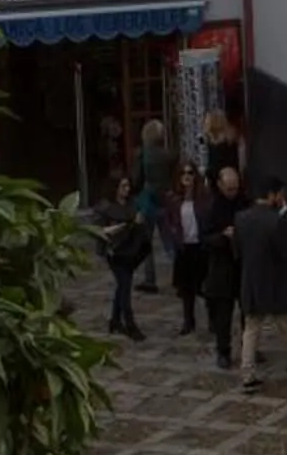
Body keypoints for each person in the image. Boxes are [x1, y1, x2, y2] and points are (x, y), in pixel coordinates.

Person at [232, 184, 287, 390]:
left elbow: (237, 251)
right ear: (272, 195)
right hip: (278, 282)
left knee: (251, 329)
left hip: (253, 281)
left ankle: (247, 374)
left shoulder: (241, 218)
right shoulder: (279, 221)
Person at [84, 175, 152, 339]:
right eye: (123, 186)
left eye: (128, 186)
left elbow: (139, 224)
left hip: (131, 251)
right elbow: (98, 230)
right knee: (125, 286)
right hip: (115, 252)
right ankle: (129, 324)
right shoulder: (106, 207)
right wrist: (120, 227)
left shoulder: (131, 204)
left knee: (122, 286)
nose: (127, 189)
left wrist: (138, 223)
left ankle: (115, 320)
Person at [198, 165, 246, 369]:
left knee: (248, 311)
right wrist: (222, 236)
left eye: (235, 188)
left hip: (242, 265)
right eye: (229, 189)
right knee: (223, 314)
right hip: (221, 266)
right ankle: (223, 350)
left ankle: (249, 347)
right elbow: (204, 239)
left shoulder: (244, 202)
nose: (233, 192)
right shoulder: (211, 207)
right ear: (220, 185)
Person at [159, 164, 209, 339]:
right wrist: (173, 237)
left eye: (190, 173)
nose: (187, 176)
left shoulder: (202, 197)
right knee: (186, 288)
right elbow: (167, 221)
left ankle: (212, 321)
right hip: (183, 247)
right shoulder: (172, 198)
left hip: (200, 246)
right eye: (183, 173)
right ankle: (188, 321)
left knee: (204, 286)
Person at [133, 119, 172, 287]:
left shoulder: (143, 155)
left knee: (146, 242)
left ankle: (150, 279)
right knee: (170, 241)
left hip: (148, 201)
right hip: (165, 200)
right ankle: (182, 276)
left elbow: (137, 179)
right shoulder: (168, 155)